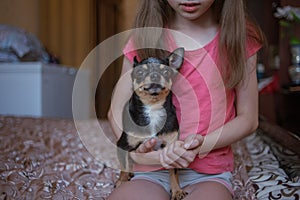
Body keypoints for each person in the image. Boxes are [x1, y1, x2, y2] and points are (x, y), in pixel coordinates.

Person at [107, 0, 264, 199]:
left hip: (208, 173)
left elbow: (248, 119)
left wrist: (201, 145)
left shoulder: (240, 38)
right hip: (149, 171)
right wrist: (138, 152)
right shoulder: (145, 37)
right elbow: (116, 109)